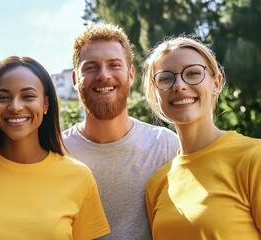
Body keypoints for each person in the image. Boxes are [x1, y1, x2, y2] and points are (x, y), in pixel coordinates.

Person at [0, 56, 110, 240]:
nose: (15, 107)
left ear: (45, 104)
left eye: (28, 96)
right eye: (3, 97)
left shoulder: (79, 177)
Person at [62, 22, 179, 240]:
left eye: (114, 65)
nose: (103, 75)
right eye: (91, 67)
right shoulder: (56, 151)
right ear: (75, 79)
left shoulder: (166, 146)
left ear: (131, 74)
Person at [142, 36, 261, 239]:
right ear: (155, 93)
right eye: (166, 78)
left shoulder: (254, 157)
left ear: (216, 83)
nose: (179, 85)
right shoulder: (157, 183)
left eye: (193, 73)